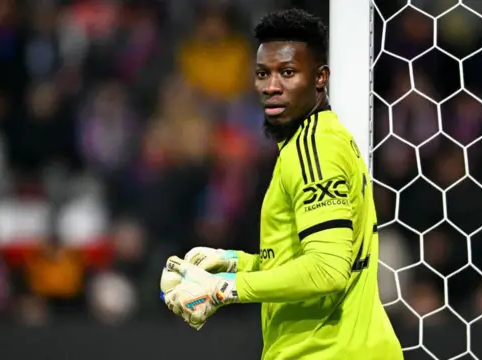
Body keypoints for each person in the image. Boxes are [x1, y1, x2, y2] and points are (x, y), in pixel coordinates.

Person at [162, 8, 403, 360]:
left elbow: (327, 270)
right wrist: (233, 262)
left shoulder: (314, 150)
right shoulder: (313, 143)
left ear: (321, 78)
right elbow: (303, 263)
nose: (272, 87)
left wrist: (224, 289)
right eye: (263, 73)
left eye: (288, 73)